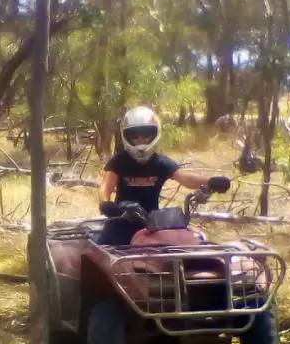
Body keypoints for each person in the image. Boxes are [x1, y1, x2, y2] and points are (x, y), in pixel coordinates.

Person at [96, 105, 228, 246]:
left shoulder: (160, 163)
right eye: (135, 136)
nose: (141, 140)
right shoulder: (120, 161)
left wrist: (211, 181)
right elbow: (106, 186)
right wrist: (107, 205)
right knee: (101, 254)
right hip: (121, 221)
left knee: (180, 250)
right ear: (126, 136)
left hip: (152, 225)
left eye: (146, 135)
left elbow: (185, 178)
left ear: (155, 134)